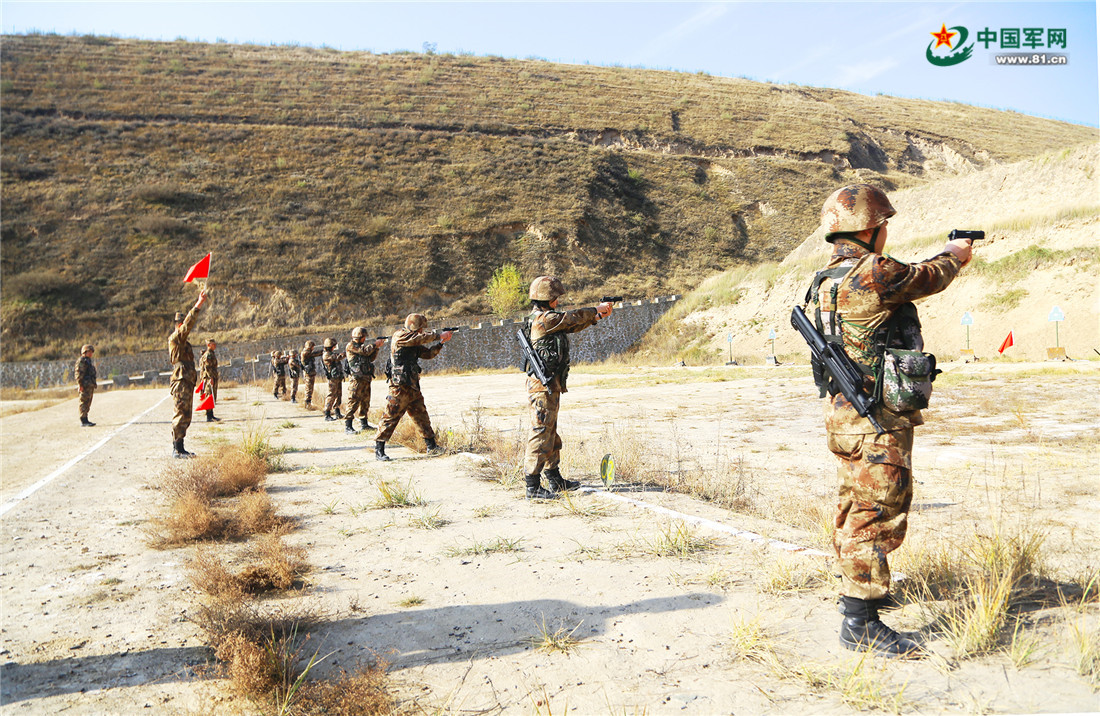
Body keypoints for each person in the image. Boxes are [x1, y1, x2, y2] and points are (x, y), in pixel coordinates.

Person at [804, 184, 971, 658]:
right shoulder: (874, 271)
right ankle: (861, 621)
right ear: (872, 227)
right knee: (877, 513)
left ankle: (858, 593)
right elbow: (928, 276)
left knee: (853, 506)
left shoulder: (824, 279)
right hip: (875, 416)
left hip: (843, 415)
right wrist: (955, 253)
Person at [521, 276, 612, 499]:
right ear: (547, 298)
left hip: (550, 383)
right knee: (540, 432)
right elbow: (569, 318)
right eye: (555, 297)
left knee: (550, 432)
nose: (557, 301)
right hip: (542, 386)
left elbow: (570, 325)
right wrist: (595, 310)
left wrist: (596, 316)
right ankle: (532, 486)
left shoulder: (545, 318)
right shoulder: (544, 319)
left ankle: (554, 479)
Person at [373, 314, 452, 461]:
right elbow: (417, 339)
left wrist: (441, 342)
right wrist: (437, 335)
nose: (422, 331)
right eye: (420, 328)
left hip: (413, 386)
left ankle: (431, 446)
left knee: (421, 415)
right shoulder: (400, 336)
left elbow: (428, 354)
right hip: (399, 386)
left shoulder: (414, 340)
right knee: (391, 416)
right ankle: (379, 448)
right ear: (415, 326)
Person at [169, 288, 209, 457]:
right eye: (183, 322)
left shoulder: (183, 341)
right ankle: (176, 448)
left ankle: (181, 446)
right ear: (179, 324)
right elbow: (187, 325)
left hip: (186, 380)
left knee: (186, 414)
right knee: (180, 413)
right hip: (180, 380)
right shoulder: (176, 338)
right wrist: (199, 303)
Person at [344, 327, 386, 435]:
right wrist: (375, 344)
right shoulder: (351, 346)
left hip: (365, 379)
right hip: (356, 380)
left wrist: (377, 348)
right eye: (364, 337)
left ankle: (364, 424)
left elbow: (370, 358)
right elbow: (365, 351)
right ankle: (348, 426)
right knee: (353, 402)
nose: (365, 339)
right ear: (360, 337)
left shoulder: (361, 347)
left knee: (365, 402)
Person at [321, 338, 345, 421]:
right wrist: (345, 353)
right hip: (332, 378)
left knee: (338, 394)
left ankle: (337, 411)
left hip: (337, 376)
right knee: (331, 394)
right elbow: (337, 357)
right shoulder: (326, 355)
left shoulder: (331, 353)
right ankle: (327, 413)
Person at [199, 338, 221, 422]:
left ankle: (211, 414)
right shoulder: (208, 354)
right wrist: (211, 378)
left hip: (212, 377)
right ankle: (209, 416)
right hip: (209, 378)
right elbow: (208, 368)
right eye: (213, 344)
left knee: (212, 396)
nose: (215, 345)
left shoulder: (211, 354)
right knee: (209, 395)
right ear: (208, 345)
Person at [75, 344, 97, 427]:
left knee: (88, 403)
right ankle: (83, 420)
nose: (91, 353)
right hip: (84, 385)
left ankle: (86, 419)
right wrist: (80, 384)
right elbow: (78, 374)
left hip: (89, 385)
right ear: (84, 352)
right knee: (84, 402)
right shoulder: (82, 361)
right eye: (89, 352)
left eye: (91, 352)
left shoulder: (88, 361)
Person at [300, 340, 324, 408]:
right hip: (308, 373)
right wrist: (322, 351)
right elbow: (314, 354)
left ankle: (308, 402)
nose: (313, 348)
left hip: (309, 372)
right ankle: (307, 403)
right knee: (309, 388)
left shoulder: (307, 352)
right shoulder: (306, 353)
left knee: (309, 388)